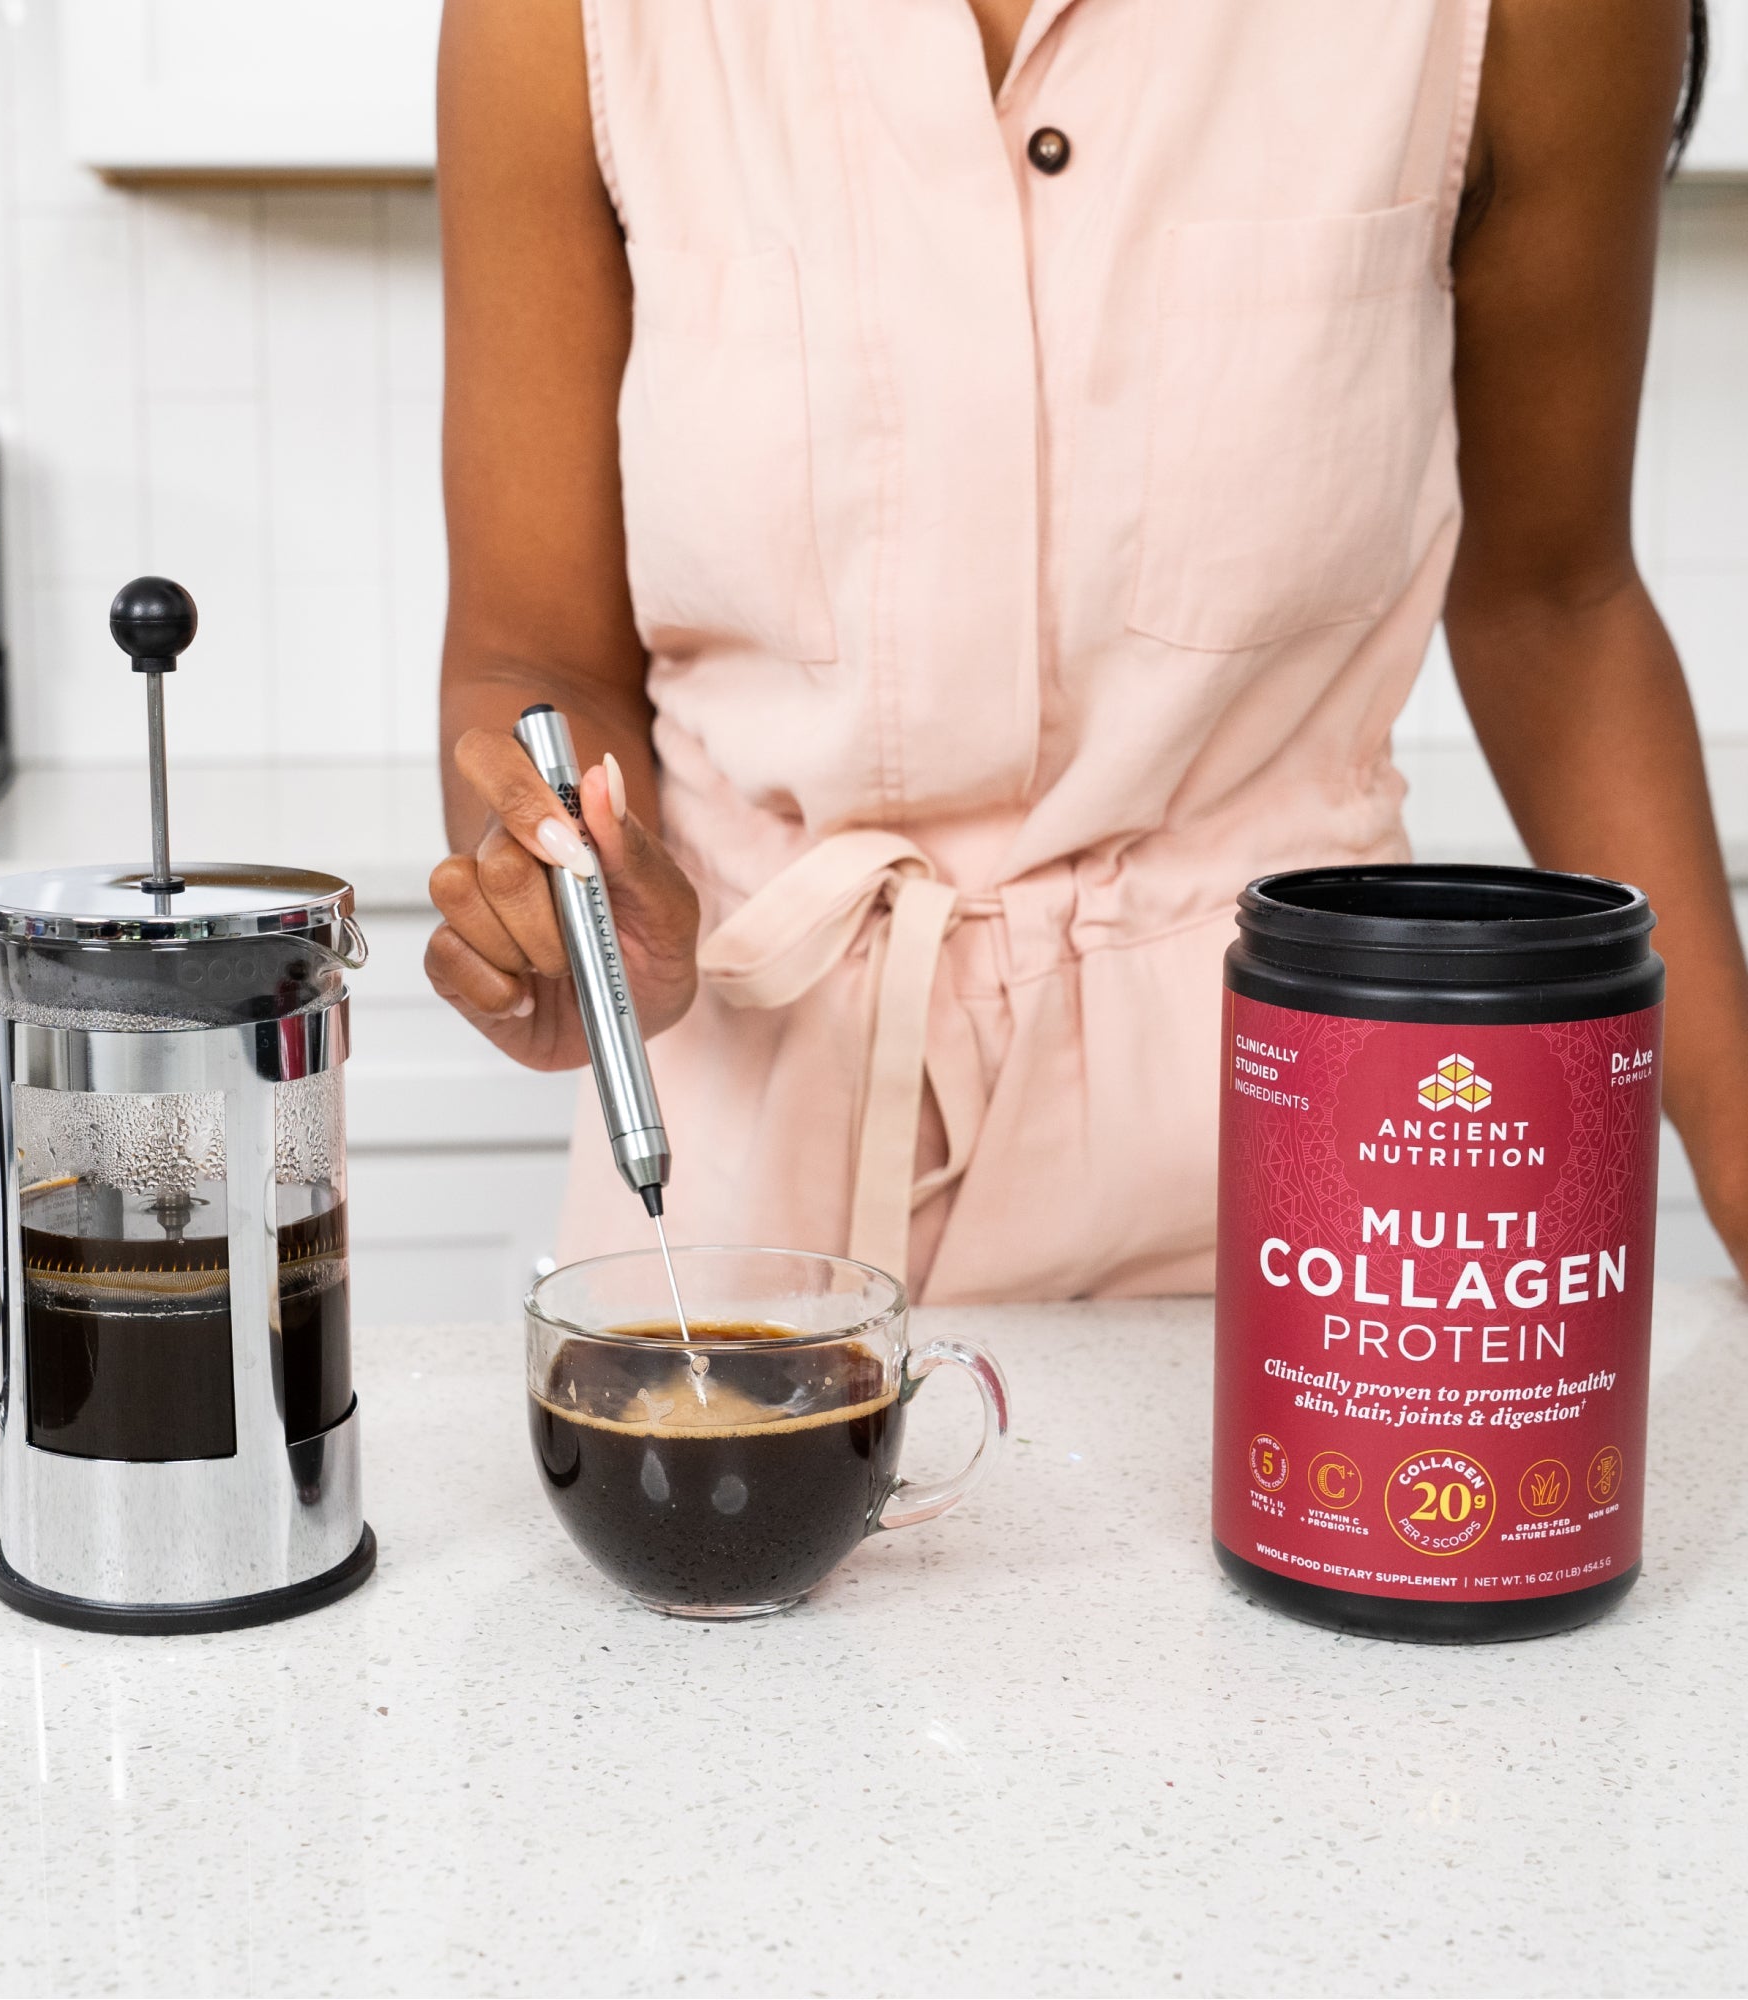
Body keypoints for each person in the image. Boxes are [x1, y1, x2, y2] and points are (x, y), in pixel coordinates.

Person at [425, 0, 1747, 1301]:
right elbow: (538, 651)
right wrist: (577, 911)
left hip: (1288, 1201)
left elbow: (1555, 608)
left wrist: (1740, 1161)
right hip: (732, 1184)